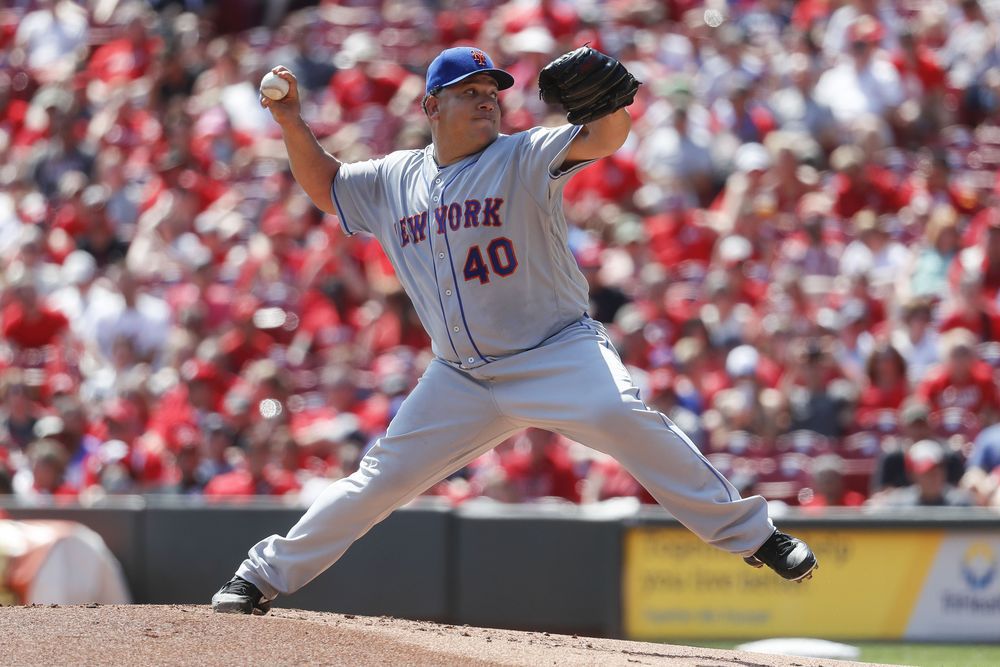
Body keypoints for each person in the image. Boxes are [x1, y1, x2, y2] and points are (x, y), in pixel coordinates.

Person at [211, 46, 817, 615]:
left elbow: (603, 139)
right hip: (461, 377)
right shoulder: (395, 178)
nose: (485, 100)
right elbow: (327, 186)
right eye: (467, 90)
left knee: (619, 415)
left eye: (492, 91)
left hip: (557, 351)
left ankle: (756, 537)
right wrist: (291, 121)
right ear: (430, 106)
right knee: (377, 480)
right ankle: (259, 578)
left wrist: (610, 107)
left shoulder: (522, 155)